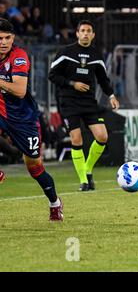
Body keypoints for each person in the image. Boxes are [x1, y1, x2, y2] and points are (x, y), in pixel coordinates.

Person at [0, 18, 63, 220]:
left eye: (7, 38)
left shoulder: (19, 57)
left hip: (23, 119)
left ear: (13, 38)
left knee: (34, 167)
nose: (3, 42)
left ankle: (55, 203)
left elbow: (19, 90)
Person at [48, 20, 120, 191]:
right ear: (77, 33)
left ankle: (87, 169)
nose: (86, 33)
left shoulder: (96, 54)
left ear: (93, 35)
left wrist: (111, 95)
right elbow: (52, 75)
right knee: (76, 139)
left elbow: (103, 79)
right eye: (83, 30)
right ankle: (83, 181)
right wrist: (73, 84)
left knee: (102, 136)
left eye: (89, 31)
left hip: (88, 102)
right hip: (68, 101)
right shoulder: (65, 52)